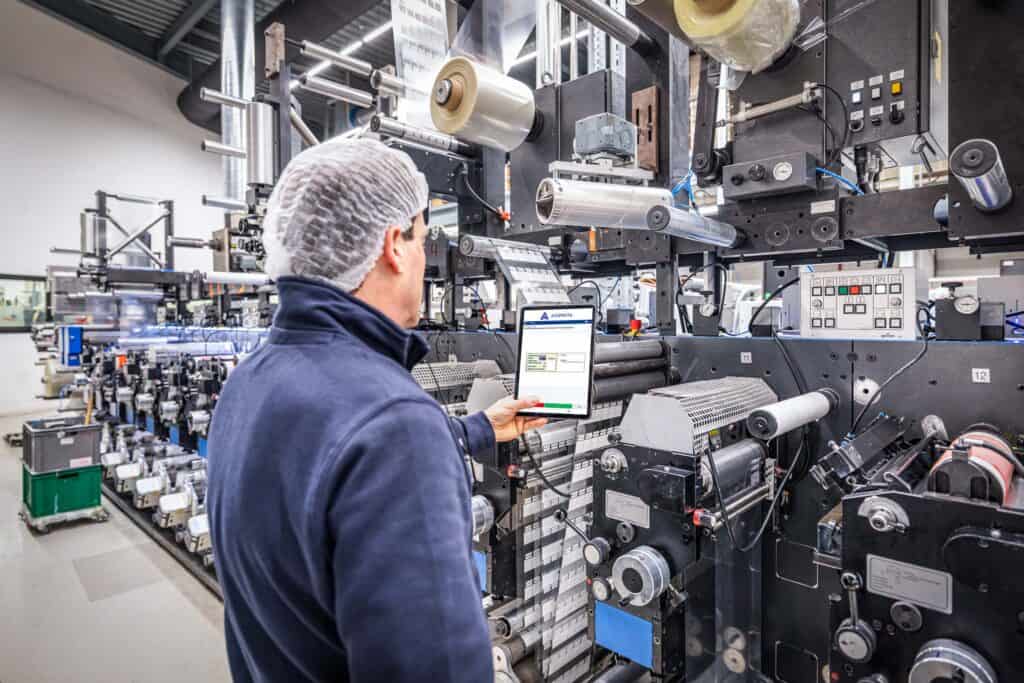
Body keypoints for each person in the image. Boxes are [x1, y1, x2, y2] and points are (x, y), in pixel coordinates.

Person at [206, 137, 547, 683]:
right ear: (394, 246)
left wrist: (477, 429)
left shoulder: (249, 382)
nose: (424, 261)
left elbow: (327, 460)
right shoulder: (395, 426)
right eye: (423, 240)